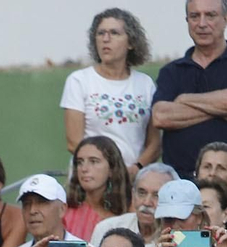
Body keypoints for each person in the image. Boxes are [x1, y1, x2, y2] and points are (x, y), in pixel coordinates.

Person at [151, 0, 227, 179]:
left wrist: (184, 99)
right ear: (187, 20)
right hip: (179, 184)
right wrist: (224, 112)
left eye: (210, 15)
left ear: (226, 19)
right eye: (195, 16)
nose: (202, 24)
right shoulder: (171, 71)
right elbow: (160, 116)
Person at [61, 9, 158, 169]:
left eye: (114, 33)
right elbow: (73, 142)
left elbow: (154, 143)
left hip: (132, 180)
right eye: (101, 33)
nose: (106, 39)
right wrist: (107, 170)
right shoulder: (79, 81)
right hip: (92, 178)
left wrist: (136, 168)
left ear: (131, 43)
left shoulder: (145, 84)